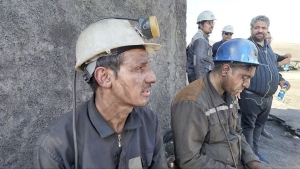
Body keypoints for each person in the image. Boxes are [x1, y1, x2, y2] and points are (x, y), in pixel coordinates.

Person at [33, 18, 167, 169]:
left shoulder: (149, 123)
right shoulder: (56, 146)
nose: (152, 78)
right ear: (104, 77)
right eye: (138, 68)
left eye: (148, 67)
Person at [171, 38, 271, 169]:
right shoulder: (193, 102)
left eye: (250, 78)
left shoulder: (230, 92)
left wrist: (252, 160)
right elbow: (189, 160)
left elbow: (237, 133)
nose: (247, 85)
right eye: (244, 77)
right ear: (225, 70)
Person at [239, 15, 291, 163]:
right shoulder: (247, 46)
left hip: (267, 97)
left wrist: (281, 80)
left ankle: (254, 152)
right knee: (248, 126)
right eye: (257, 28)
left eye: (263, 28)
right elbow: (238, 69)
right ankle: (248, 158)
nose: (260, 31)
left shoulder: (268, 47)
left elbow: (272, 67)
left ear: (267, 30)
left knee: (259, 126)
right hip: (251, 95)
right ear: (251, 29)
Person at [261, 31, 292, 139]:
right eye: (267, 37)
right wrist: (281, 63)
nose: (268, 39)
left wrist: (281, 80)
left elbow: (275, 69)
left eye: (270, 38)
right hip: (257, 91)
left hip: (268, 91)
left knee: (265, 113)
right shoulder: (259, 51)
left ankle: (261, 129)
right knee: (251, 120)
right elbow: (265, 68)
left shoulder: (270, 52)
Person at [186, 10, 216, 83]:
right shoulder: (200, 40)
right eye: (209, 23)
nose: (212, 25)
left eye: (212, 22)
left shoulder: (202, 39)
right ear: (201, 25)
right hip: (200, 82)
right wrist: (201, 84)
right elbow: (198, 64)